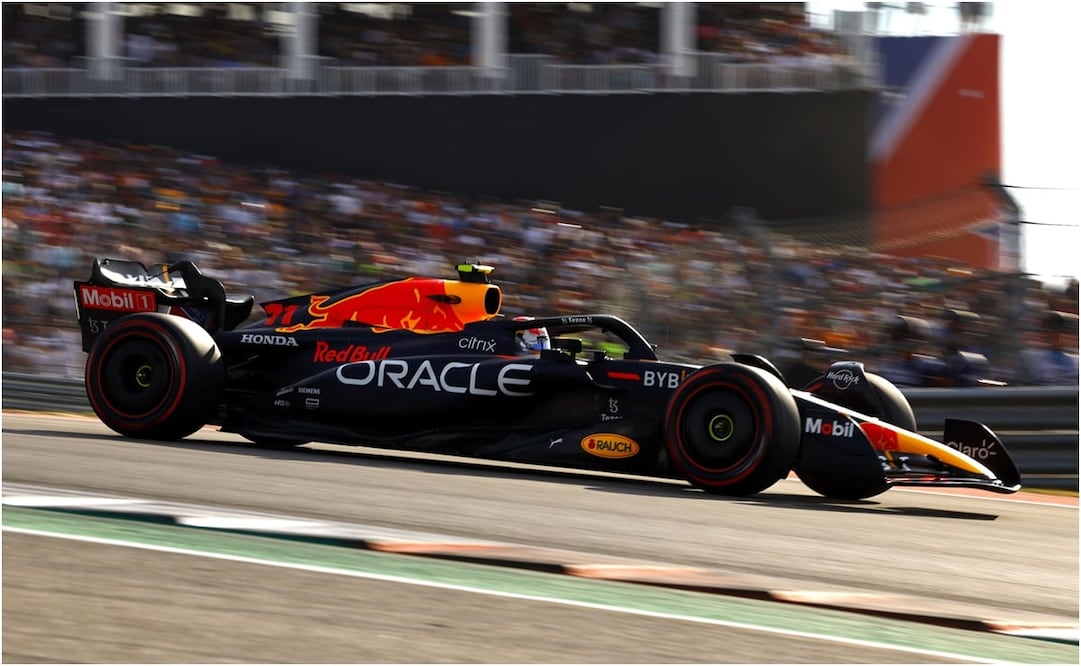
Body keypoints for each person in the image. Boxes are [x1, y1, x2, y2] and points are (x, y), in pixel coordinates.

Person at [1019, 311, 1079, 386]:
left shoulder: (1076, 362)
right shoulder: (1029, 358)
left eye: (1059, 331)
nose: (1055, 335)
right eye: (1048, 330)